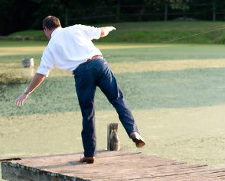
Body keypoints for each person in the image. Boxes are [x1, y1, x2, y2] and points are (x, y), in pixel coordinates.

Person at [16, 16, 145, 164]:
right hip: (100, 64)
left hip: (82, 73)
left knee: (88, 113)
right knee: (118, 100)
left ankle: (89, 154)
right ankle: (133, 131)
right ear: (59, 25)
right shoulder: (76, 28)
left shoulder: (50, 47)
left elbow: (41, 74)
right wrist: (109, 28)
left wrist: (26, 92)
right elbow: (101, 32)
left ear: (46, 30)